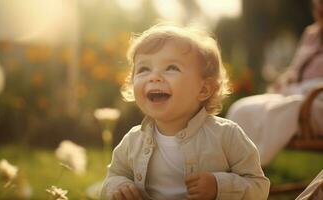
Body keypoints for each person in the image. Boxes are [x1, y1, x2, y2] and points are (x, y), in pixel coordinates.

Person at [100, 23, 270, 200]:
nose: (154, 76)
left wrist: (218, 187)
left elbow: (259, 186)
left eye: (171, 68)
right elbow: (113, 176)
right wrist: (119, 186)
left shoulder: (227, 136)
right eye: (144, 69)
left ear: (203, 89)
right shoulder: (133, 141)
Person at [226, 0, 323, 167]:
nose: (319, 8)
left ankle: (249, 170)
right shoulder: (311, 34)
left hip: (316, 101)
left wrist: (308, 88)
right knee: (242, 108)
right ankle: (224, 164)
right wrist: (284, 79)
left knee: (285, 108)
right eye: (317, 4)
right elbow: (295, 69)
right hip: (294, 94)